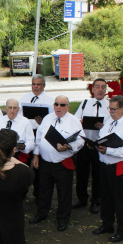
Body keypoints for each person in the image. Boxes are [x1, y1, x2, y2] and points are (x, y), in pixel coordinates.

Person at [30, 95, 85, 232]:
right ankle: (42, 214)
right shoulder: (48, 118)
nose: (59, 107)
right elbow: (38, 138)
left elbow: (81, 140)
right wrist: (36, 155)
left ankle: (63, 219)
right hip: (45, 162)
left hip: (62, 162)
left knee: (64, 192)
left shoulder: (74, 121)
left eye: (62, 104)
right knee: (44, 189)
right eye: (56, 104)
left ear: (68, 106)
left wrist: (68, 147)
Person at [92, 96, 123, 242]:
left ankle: (122, 230)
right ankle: (107, 224)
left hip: (120, 165)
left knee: (120, 199)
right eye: (109, 109)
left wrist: (109, 151)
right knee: (106, 197)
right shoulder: (109, 120)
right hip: (105, 164)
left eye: (113, 109)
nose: (111, 112)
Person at [72, 78, 109, 214]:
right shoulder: (85, 103)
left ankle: (96, 201)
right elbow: (76, 121)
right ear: (92, 89)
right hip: (85, 143)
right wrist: (80, 122)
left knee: (98, 174)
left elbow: (114, 126)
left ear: (106, 90)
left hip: (100, 146)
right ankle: (82, 198)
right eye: (97, 87)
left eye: (103, 87)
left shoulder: (110, 105)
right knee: (81, 173)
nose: (100, 90)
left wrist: (104, 126)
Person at [20, 74, 54, 199]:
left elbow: (52, 121)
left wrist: (43, 123)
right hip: (27, 134)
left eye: (39, 84)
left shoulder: (50, 100)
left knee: (39, 167)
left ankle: (38, 194)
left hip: (41, 134)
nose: (36, 87)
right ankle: (22, 192)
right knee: (23, 165)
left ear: (44, 86)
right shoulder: (24, 98)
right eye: (34, 84)